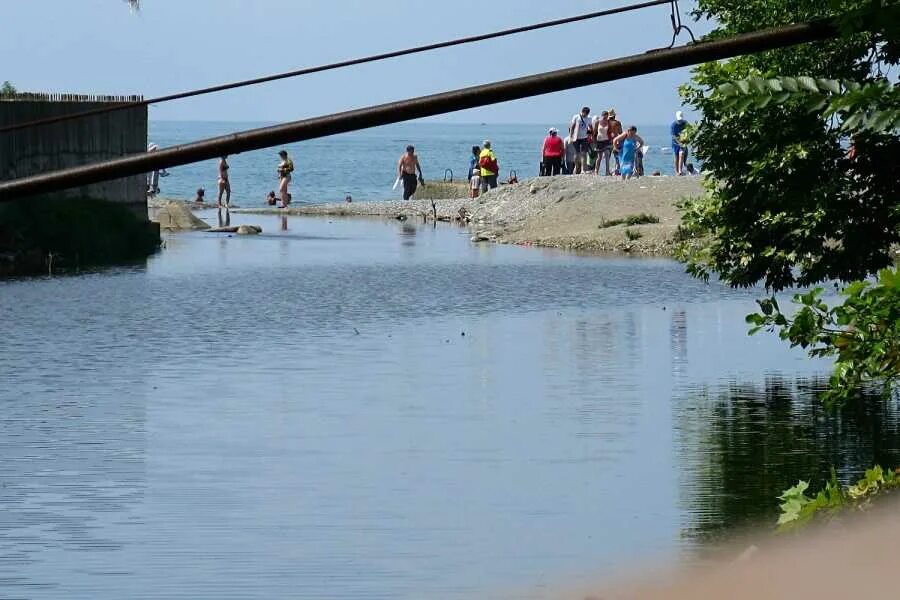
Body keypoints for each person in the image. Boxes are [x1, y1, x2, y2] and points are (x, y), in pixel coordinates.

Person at [568, 106, 592, 174]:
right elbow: (572, 127)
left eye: (587, 114)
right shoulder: (576, 117)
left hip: (584, 138)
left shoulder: (589, 118)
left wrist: (590, 136)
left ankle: (583, 170)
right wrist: (570, 137)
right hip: (576, 138)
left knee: (584, 154)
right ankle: (577, 167)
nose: (586, 115)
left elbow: (590, 127)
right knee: (576, 154)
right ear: (582, 112)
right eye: (585, 114)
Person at [592, 110, 613, 175]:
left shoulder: (609, 123)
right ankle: (596, 171)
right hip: (599, 141)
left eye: (606, 117)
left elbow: (610, 131)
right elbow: (595, 133)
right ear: (602, 116)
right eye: (604, 116)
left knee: (607, 155)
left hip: (607, 141)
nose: (605, 118)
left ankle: (607, 171)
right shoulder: (597, 122)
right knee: (599, 157)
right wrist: (594, 143)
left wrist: (611, 138)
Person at [671, 110, 689, 175]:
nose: (680, 121)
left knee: (682, 155)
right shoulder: (673, 125)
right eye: (679, 120)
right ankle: (677, 171)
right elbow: (673, 136)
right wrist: (679, 143)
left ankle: (680, 171)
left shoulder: (686, 123)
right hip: (676, 143)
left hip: (683, 142)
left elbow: (688, 132)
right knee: (677, 157)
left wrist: (685, 141)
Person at [607, 108, 623, 173]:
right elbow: (620, 132)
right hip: (615, 141)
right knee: (616, 156)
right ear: (614, 116)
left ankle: (607, 171)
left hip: (607, 141)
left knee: (608, 157)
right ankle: (617, 170)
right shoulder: (617, 123)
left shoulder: (606, 122)